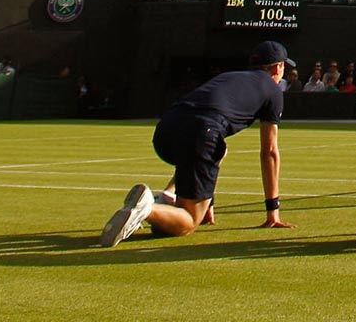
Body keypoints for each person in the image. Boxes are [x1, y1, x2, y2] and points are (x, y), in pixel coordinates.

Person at [100, 40, 296, 247]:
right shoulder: (273, 91)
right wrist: (272, 212)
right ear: (277, 67)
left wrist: (207, 198)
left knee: (218, 150)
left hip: (166, 129)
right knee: (188, 222)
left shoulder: (228, 77)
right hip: (201, 133)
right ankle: (148, 208)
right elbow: (270, 152)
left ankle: (167, 197)